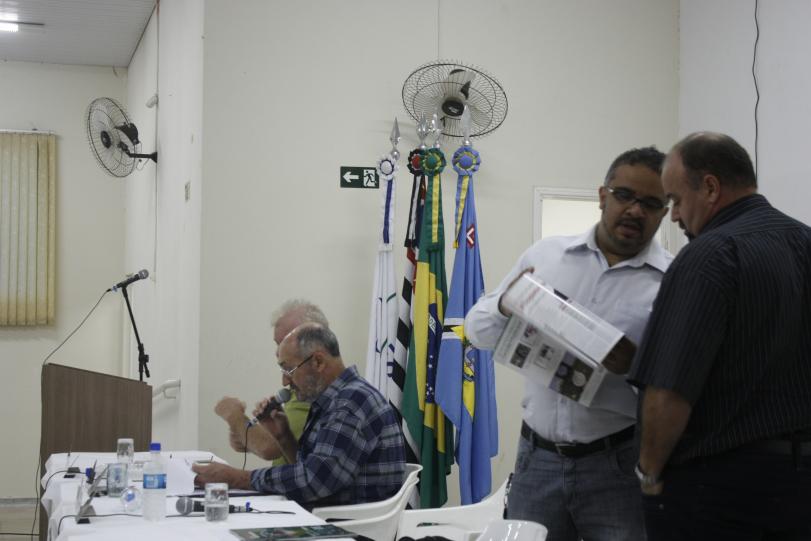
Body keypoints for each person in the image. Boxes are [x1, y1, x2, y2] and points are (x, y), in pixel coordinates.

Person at [466, 147, 673, 541]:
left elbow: (678, 388)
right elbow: (478, 332)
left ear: (664, 212)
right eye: (625, 195)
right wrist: (507, 306)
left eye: (650, 203)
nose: (635, 210)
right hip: (536, 461)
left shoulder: (671, 282)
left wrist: (635, 366)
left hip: (616, 466)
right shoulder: (546, 256)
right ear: (603, 196)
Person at [628, 132, 811, 540]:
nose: (675, 216)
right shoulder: (805, 240)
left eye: (675, 200)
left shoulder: (710, 255)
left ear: (710, 187)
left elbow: (668, 392)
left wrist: (649, 473)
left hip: (720, 494)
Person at [194, 323, 406, 507]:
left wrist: (236, 478)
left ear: (318, 362)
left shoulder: (351, 402)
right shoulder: (333, 399)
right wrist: (284, 436)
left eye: (288, 370)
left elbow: (315, 481)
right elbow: (311, 471)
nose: (285, 382)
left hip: (349, 527)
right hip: (328, 515)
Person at [214, 299, 327, 465]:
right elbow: (279, 445)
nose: (278, 352)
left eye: (287, 342)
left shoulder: (316, 390)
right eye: (278, 344)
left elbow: (269, 447)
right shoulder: (300, 385)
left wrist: (234, 415)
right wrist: (244, 433)